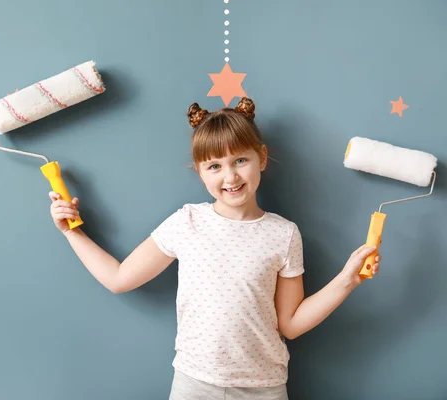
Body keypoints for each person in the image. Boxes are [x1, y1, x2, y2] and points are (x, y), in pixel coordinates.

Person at [48, 97, 381, 400]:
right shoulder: (186, 222)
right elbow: (119, 278)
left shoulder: (284, 234)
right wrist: (71, 233)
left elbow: (290, 325)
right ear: (199, 172)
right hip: (194, 384)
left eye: (240, 160)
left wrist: (347, 280)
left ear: (261, 158)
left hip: (263, 388)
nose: (230, 176)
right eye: (214, 166)